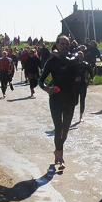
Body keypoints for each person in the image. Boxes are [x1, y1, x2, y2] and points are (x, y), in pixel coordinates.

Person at [39, 35, 78, 169]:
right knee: (58, 128)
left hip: (70, 99)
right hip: (56, 99)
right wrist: (47, 89)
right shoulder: (51, 62)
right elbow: (40, 79)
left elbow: (76, 63)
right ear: (57, 45)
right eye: (62, 44)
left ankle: (57, 149)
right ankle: (61, 157)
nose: (65, 46)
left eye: (67, 44)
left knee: (65, 130)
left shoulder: (73, 60)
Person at [74, 51, 94, 122]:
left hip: (82, 84)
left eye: (82, 56)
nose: (80, 58)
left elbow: (91, 73)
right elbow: (69, 73)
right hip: (75, 85)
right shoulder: (74, 65)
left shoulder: (85, 65)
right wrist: (74, 78)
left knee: (82, 100)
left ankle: (81, 116)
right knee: (75, 101)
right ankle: (70, 113)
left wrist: (90, 78)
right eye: (79, 56)